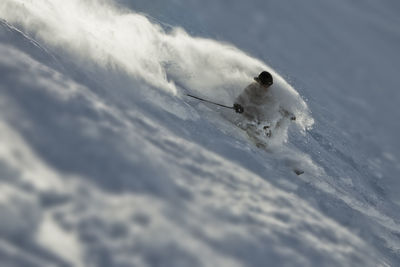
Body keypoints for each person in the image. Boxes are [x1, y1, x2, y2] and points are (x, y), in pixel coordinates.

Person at [233, 71, 295, 138]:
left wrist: (287, 113)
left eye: (268, 86)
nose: (266, 88)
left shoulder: (270, 93)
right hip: (248, 117)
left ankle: (266, 141)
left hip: (260, 121)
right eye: (265, 85)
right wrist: (238, 106)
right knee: (252, 128)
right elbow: (241, 99)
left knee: (267, 130)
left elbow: (276, 106)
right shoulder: (252, 88)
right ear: (260, 83)